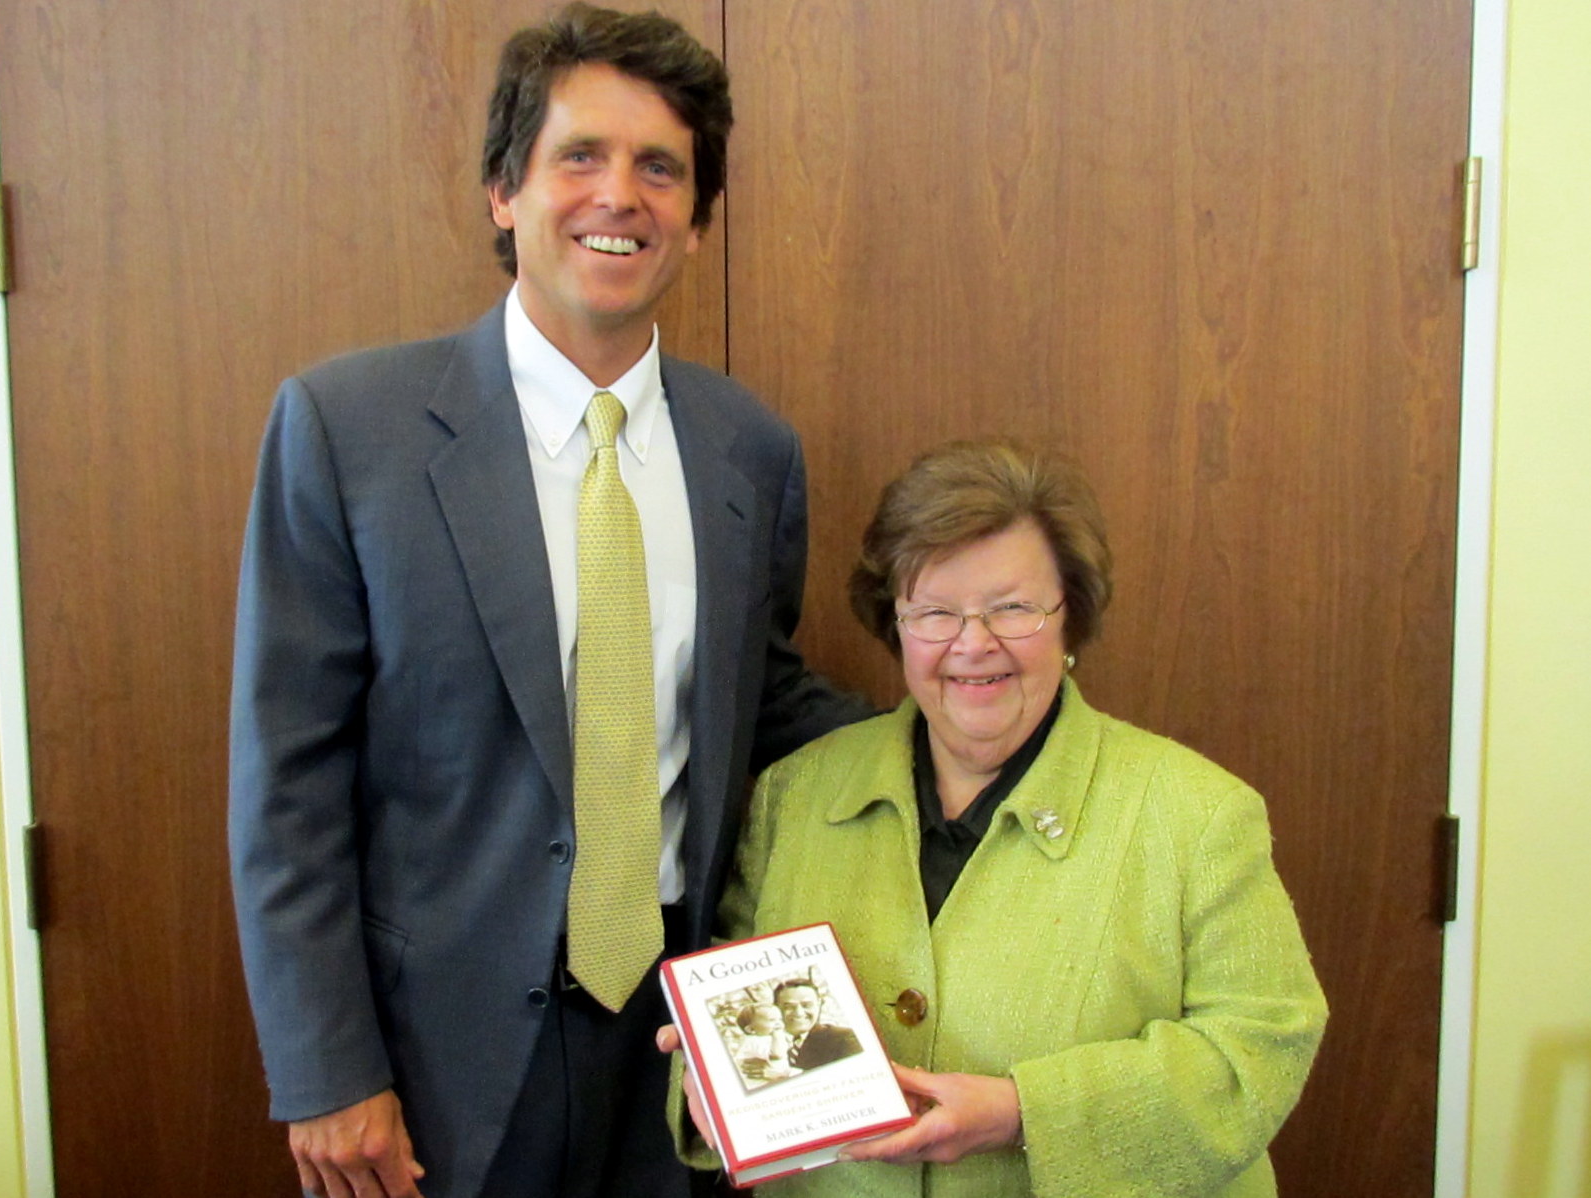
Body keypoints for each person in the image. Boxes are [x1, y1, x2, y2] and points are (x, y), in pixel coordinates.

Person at [227, 6, 865, 1198]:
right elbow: (286, 782)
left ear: (695, 215)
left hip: (684, 1035)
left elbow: (755, 701)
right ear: (502, 191)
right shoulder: (346, 430)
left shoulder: (752, 454)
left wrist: (955, 727)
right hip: (439, 1055)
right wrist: (323, 1067)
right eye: (580, 155)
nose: (618, 195)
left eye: (660, 168)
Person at [664, 440, 1327, 1196]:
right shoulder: (795, 794)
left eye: (1012, 608)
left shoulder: (1199, 816)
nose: (973, 645)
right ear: (895, 625)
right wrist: (709, 1073)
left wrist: (1024, 1112)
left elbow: (1259, 1048)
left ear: (1069, 618)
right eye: (936, 612)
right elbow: (732, 986)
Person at [772, 980, 863, 1071]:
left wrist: (786, 1075)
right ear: (775, 1008)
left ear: (819, 1004)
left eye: (806, 1005)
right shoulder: (764, 1042)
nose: (799, 1013)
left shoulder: (843, 1038)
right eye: (789, 1007)